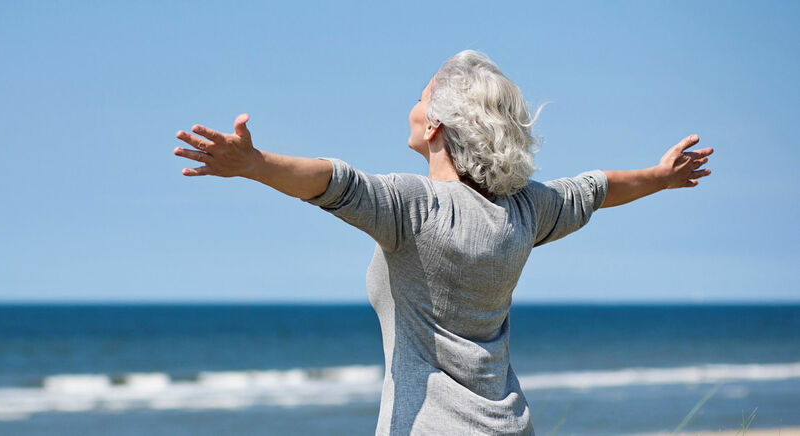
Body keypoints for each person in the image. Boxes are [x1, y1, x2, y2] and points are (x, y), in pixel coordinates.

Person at [171, 50, 713, 435]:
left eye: (421, 95)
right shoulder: (525, 208)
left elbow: (333, 180)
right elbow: (596, 188)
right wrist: (661, 176)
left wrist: (255, 164)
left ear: (435, 124)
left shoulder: (415, 208)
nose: (412, 102)